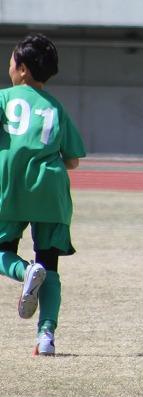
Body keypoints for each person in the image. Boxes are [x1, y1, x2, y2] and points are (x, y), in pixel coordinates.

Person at [0, 34, 86, 356]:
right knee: (49, 264)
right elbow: (73, 159)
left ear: (22, 69)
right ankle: (46, 337)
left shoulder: (4, 98)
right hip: (50, 190)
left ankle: (24, 271)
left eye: (12, 60)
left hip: (9, 186)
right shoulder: (55, 107)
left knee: (3, 250)